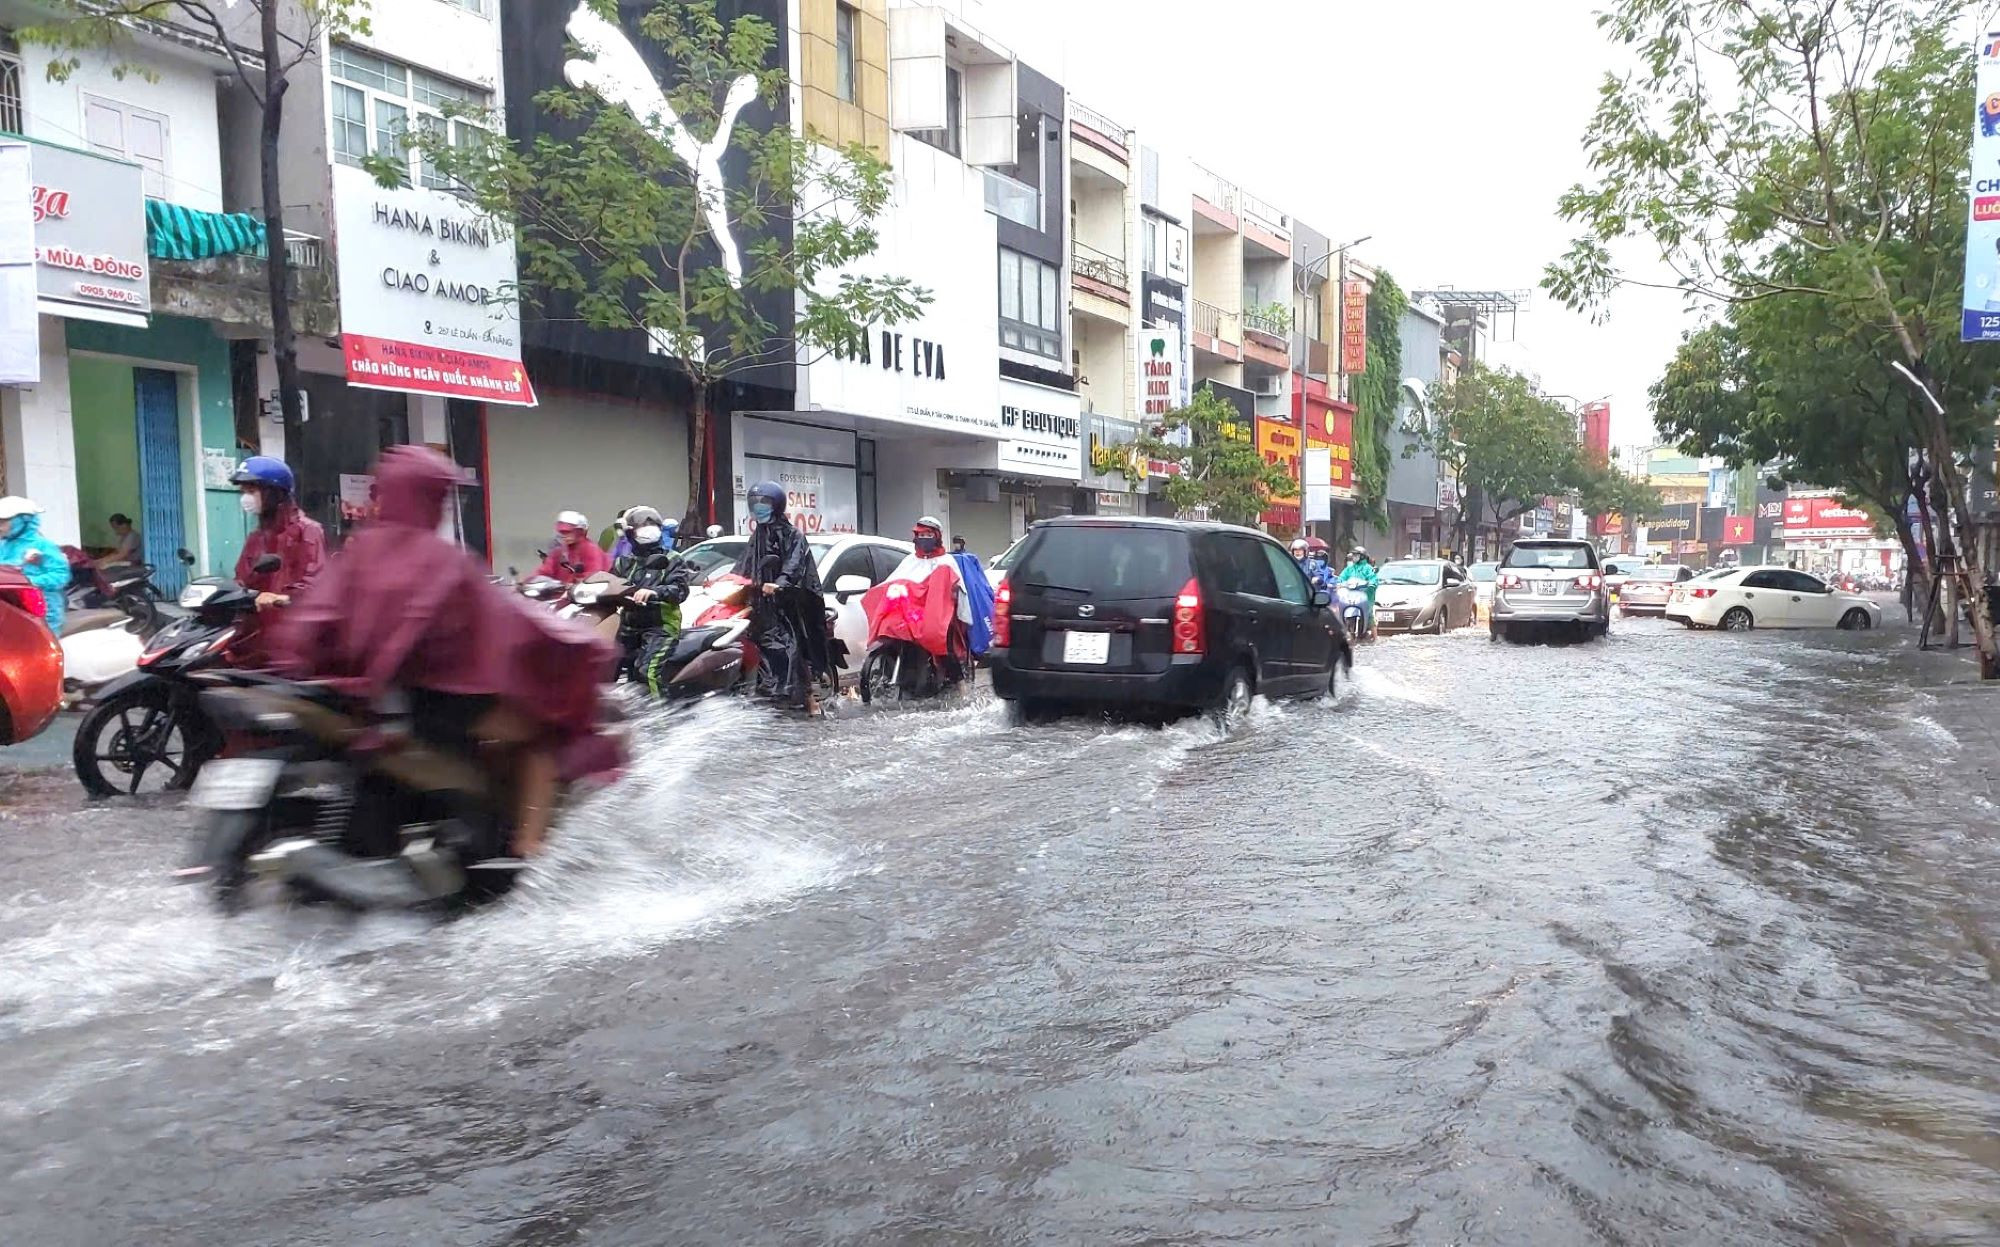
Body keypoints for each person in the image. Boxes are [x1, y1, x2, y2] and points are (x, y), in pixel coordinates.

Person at [273, 446, 616, 859]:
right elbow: (512, 619)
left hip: (366, 698)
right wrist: (579, 646)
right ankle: (530, 851)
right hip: (435, 702)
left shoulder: (358, 551)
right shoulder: (442, 559)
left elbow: (314, 616)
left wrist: (297, 665)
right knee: (540, 735)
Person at [732, 480, 832, 714]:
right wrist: (731, 582)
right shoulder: (757, 536)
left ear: (776, 505)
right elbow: (743, 566)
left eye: (764, 502)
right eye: (755, 503)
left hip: (791, 604)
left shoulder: (793, 535)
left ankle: (805, 695)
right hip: (762, 605)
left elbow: (794, 565)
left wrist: (780, 584)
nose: (759, 507)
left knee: (789, 644)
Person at [611, 506, 693, 694]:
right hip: (629, 626)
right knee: (605, 665)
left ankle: (659, 719)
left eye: (651, 524)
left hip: (660, 626)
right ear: (630, 533)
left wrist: (654, 592)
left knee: (647, 672)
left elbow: (680, 590)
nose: (648, 529)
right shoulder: (624, 562)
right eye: (642, 525)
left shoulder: (672, 559)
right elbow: (609, 583)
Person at [233, 456, 326, 614]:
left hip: (293, 625)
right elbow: (242, 578)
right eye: (243, 492)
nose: (245, 498)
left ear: (273, 492)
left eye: (251, 491)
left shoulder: (308, 531)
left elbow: (314, 583)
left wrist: (281, 598)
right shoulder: (256, 536)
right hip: (258, 624)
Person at [0, 497, 70, 632]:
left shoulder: (43, 545)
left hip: (42, 611)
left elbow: (60, 575)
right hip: (11, 609)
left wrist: (28, 582)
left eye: (3, 522)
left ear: (21, 521)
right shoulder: (3, 546)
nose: (0, 527)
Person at [534, 510, 610, 585]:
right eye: (561, 532)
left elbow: (594, 575)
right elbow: (544, 571)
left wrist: (573, 583)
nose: (564, 535)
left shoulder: (591, 550)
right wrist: (529, 581)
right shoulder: (559, 552)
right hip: (560, 594)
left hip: (584, 594)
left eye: (568, 532)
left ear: (579, 531)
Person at [1338, 545, 1380, 636]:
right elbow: (1342, 577)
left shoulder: (1368, 568)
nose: (1354, 557)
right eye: (1353, 555)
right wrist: (1339, 583)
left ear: (1362, 556)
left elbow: (1374, 578)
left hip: (1366, 595)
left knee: (1369, 616)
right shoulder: (1350, 568)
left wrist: (1371, 584)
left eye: (1356, 555)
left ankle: (1375, 637)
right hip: (1351, 595)